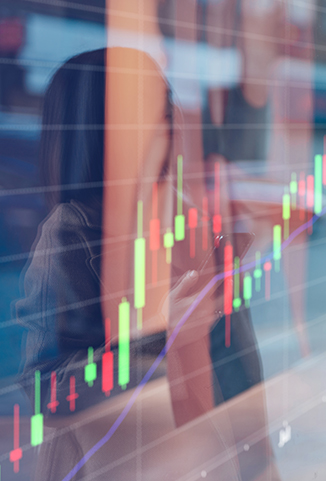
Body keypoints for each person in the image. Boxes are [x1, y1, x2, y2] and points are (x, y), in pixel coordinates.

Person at [14, 47, 278, 480]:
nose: (172, 113)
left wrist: (263, 462)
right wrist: (160, 333)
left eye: (167, 97)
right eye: (151, 102)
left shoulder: (191, 224)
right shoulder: (71, 235)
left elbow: (239, 372)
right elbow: (49, 390)